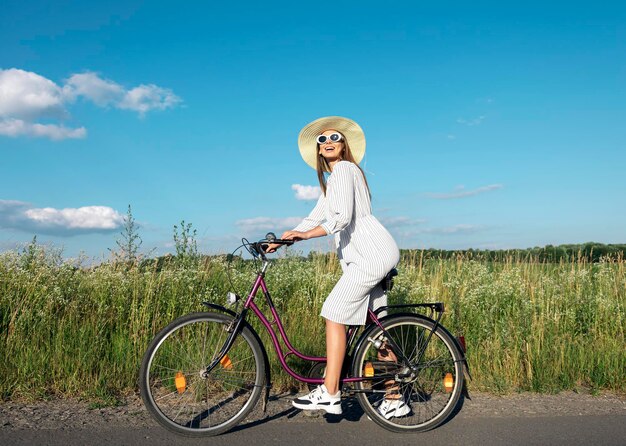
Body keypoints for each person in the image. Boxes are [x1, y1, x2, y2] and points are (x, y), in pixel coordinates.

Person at [266, 116, 407, 418]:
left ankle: (330, 392)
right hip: (375, 253)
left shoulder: (344, 169)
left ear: (344, 146)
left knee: (333, 313)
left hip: (370, 255)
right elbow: (315, 216)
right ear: (318, 151)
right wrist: (284, 238)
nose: (328, 142)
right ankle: (395, 398)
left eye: (335, 138)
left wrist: (304, 236)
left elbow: (340, 218)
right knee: (376, 329)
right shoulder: (337, 180)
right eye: (322, 139)